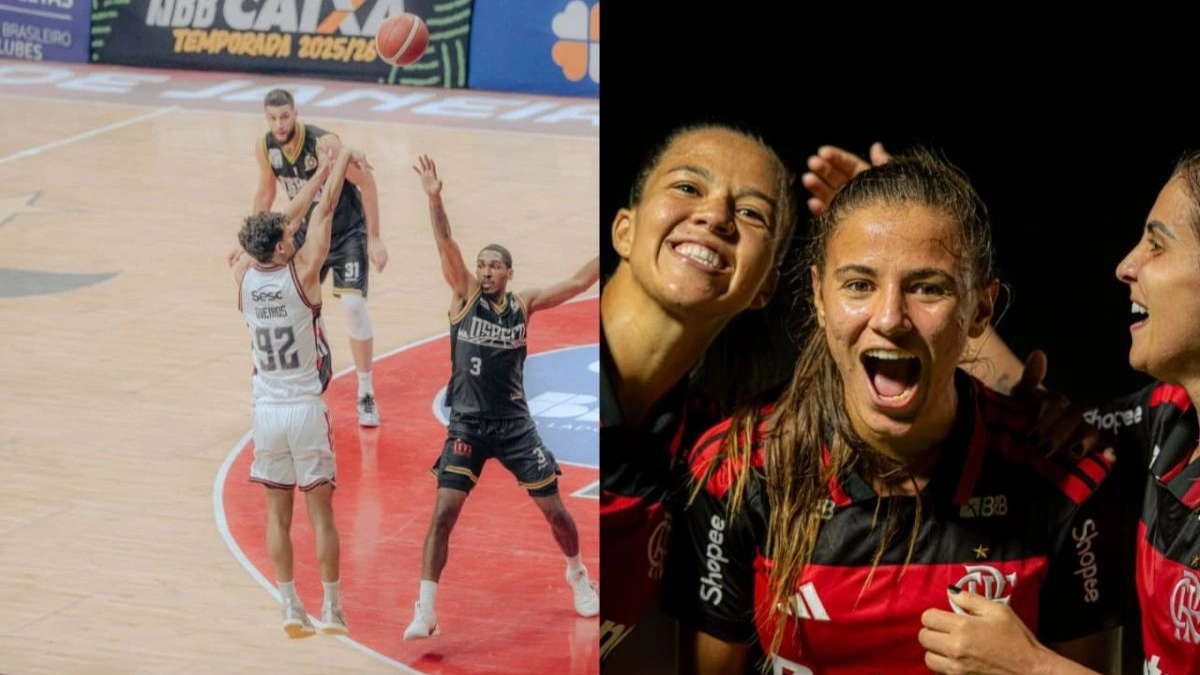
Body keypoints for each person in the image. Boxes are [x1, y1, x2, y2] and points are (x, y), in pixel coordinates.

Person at [661, 150, 1124, 674]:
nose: (889, 318)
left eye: (927, 288)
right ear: (818, 297)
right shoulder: (736, 468)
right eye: (859, 284)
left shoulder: (1064, 479)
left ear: (980, 309)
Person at [893, 150, 1200, 675]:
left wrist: (1033, 668)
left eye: (1157, 244)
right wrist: (935, 287)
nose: (1126, 266)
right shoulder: (1168, 420)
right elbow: (1039, 418)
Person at [598, 122, 800, 672]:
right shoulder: (535, 373)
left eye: (752, 213)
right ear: (624, 230)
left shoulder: (717, 455)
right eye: (688, 187)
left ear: (765, 287)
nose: (715, 216)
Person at [401, 154, 601, 640]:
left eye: (495, 266)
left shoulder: (522, 304)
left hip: (514, 427)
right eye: (482, 265)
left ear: (510, 272)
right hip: (467, 425)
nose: (486, 271)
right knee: (443, 513)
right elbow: (445, 243)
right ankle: (425, 609)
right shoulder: (464, 296)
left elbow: (578, 282)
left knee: (555, 511)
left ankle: (577, 573)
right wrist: (434, 199)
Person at [234, 144, 364, 638]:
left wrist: (319, 171)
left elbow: (281, 221)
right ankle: (332, 608)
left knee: (277, 515)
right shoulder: (304, 272)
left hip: (266, 411)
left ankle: (290, 605)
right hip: (306, 408)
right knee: (321, 514)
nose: (293, 233)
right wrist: (340, 160)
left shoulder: (243, 276)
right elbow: (324, 210)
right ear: (282, 249)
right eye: (288, 235)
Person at [248, 88, 388, 428]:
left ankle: (365, 392)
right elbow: (266, 191)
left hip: (346, 230)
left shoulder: (324, 144)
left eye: (285, 116)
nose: (279, 124)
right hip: (305, 233)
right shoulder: (266, 147)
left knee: (353, 305)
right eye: (272, 118)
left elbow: (366, 182)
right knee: (292, 300)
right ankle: (308, 362)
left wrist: (374, 236)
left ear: (296, 113)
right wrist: (253, 240)